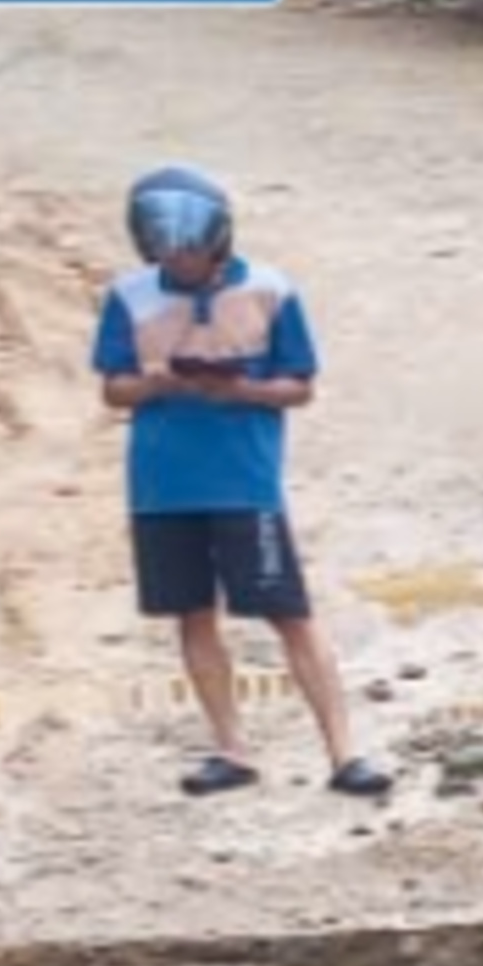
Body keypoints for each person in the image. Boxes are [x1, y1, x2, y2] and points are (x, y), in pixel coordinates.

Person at [94, 165, 390, 800]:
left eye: (187, 249)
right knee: (193, 615)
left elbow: (300, 386)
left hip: (243, 479)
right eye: (166, 249)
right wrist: (158, 383)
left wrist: (239, 391)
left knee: (290, 613)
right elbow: (113, 388)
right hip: (161, 484)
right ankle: (231, 750)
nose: (178, 259)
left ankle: (345, 754)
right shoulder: (129, 295)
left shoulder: (269, 290)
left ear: (216, 241)